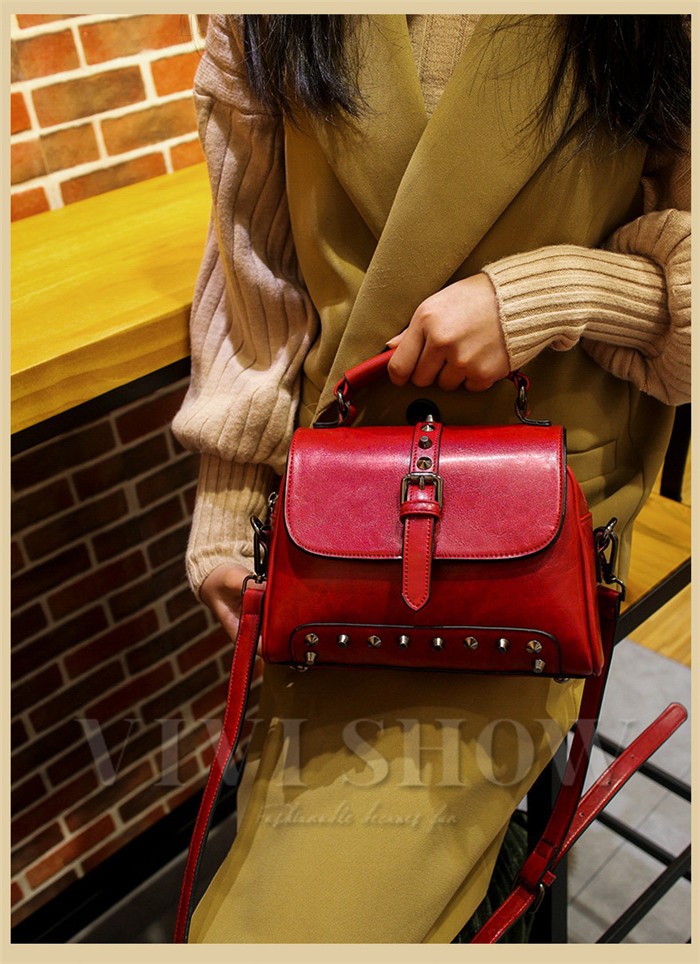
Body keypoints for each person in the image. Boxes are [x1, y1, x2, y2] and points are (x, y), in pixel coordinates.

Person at [172, 13, 690, 943]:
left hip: (533, 547)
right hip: (331, 527)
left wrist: (551, 293)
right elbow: (254, 265)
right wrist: (228, 494)